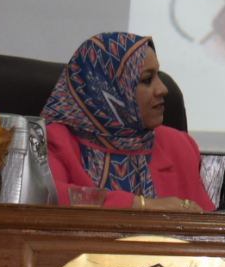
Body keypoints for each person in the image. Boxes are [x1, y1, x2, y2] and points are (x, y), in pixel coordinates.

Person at [42, 31, 215, 211]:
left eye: (158, 75)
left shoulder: (179, 145)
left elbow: (206, 219)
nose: (163, 89)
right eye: (147, 79)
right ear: (106, 88)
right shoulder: (53, 140)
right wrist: (144, 205)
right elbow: (45, 197)